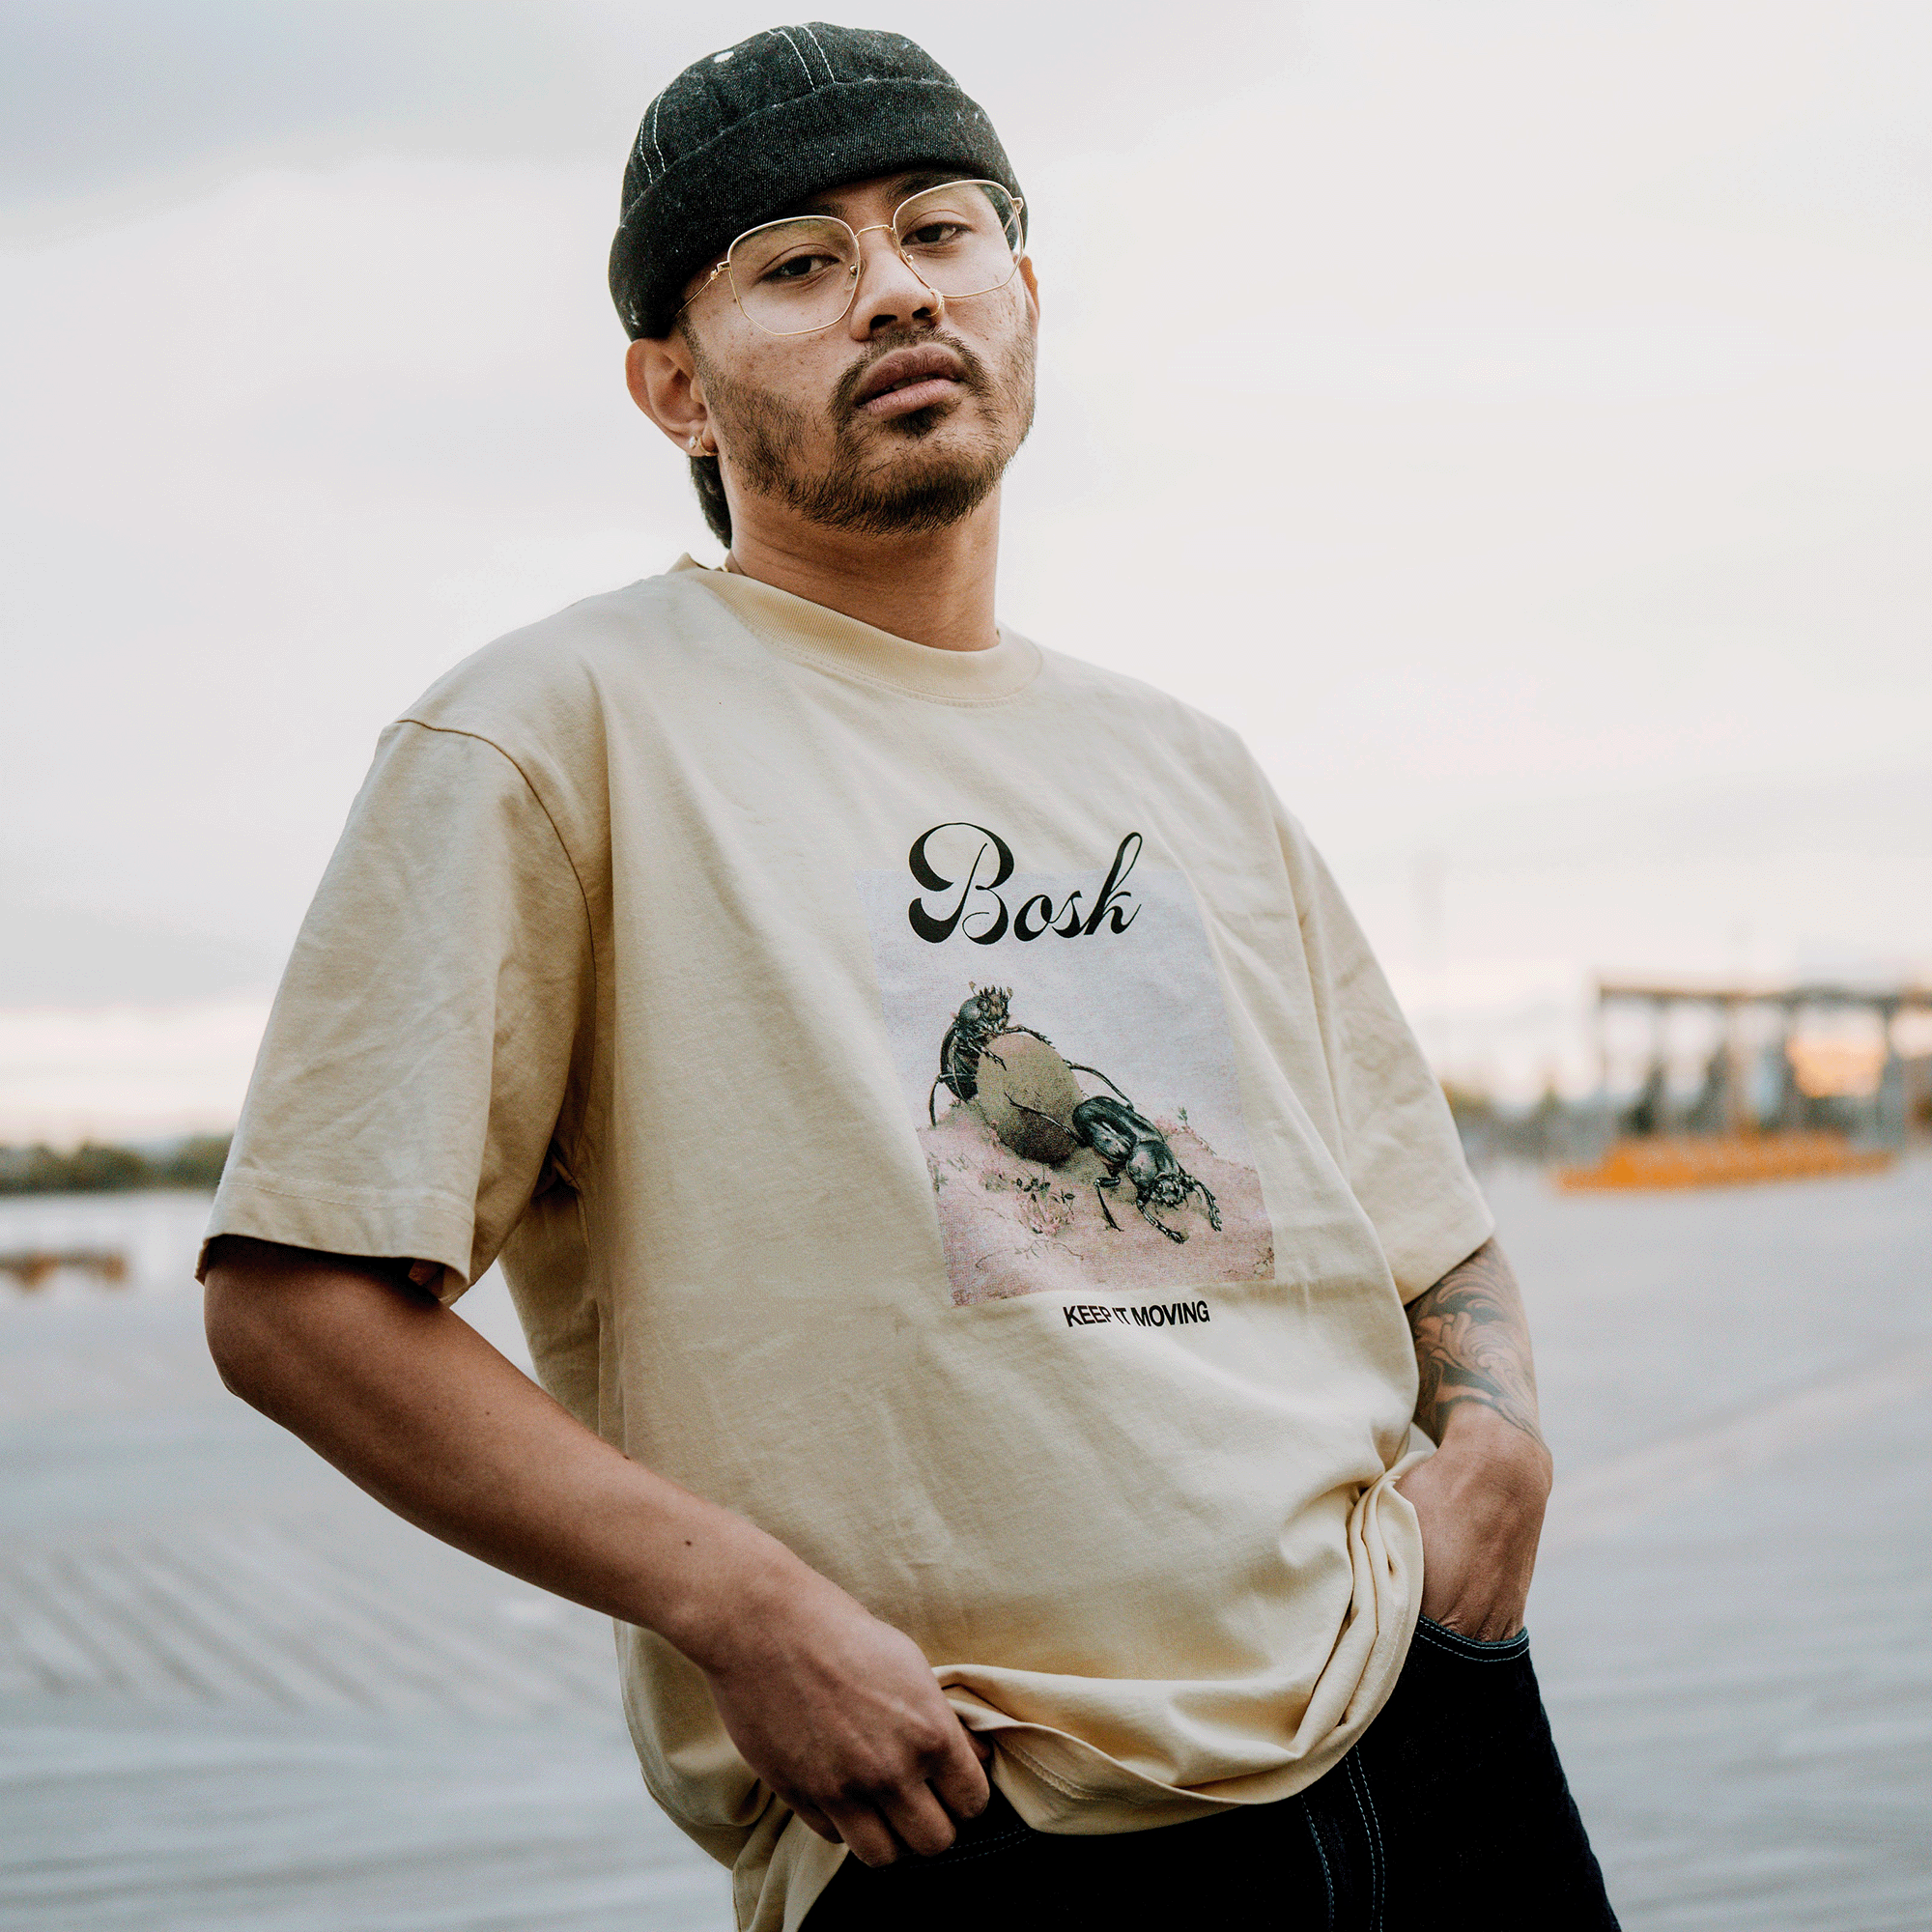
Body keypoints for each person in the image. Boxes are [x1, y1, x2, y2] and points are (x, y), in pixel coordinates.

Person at [201, 22, 1619, 1931]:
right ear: (670, 388)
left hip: (1426, 1745)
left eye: (940, 232)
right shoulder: (555, 733)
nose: (893, 290)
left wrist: (1498, 1447)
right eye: (798, 263)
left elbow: (1421, 1227)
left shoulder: (1182, 762)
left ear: (1021, 296)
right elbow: (299, 1300)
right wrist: (739, 1606)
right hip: (977, 1819)